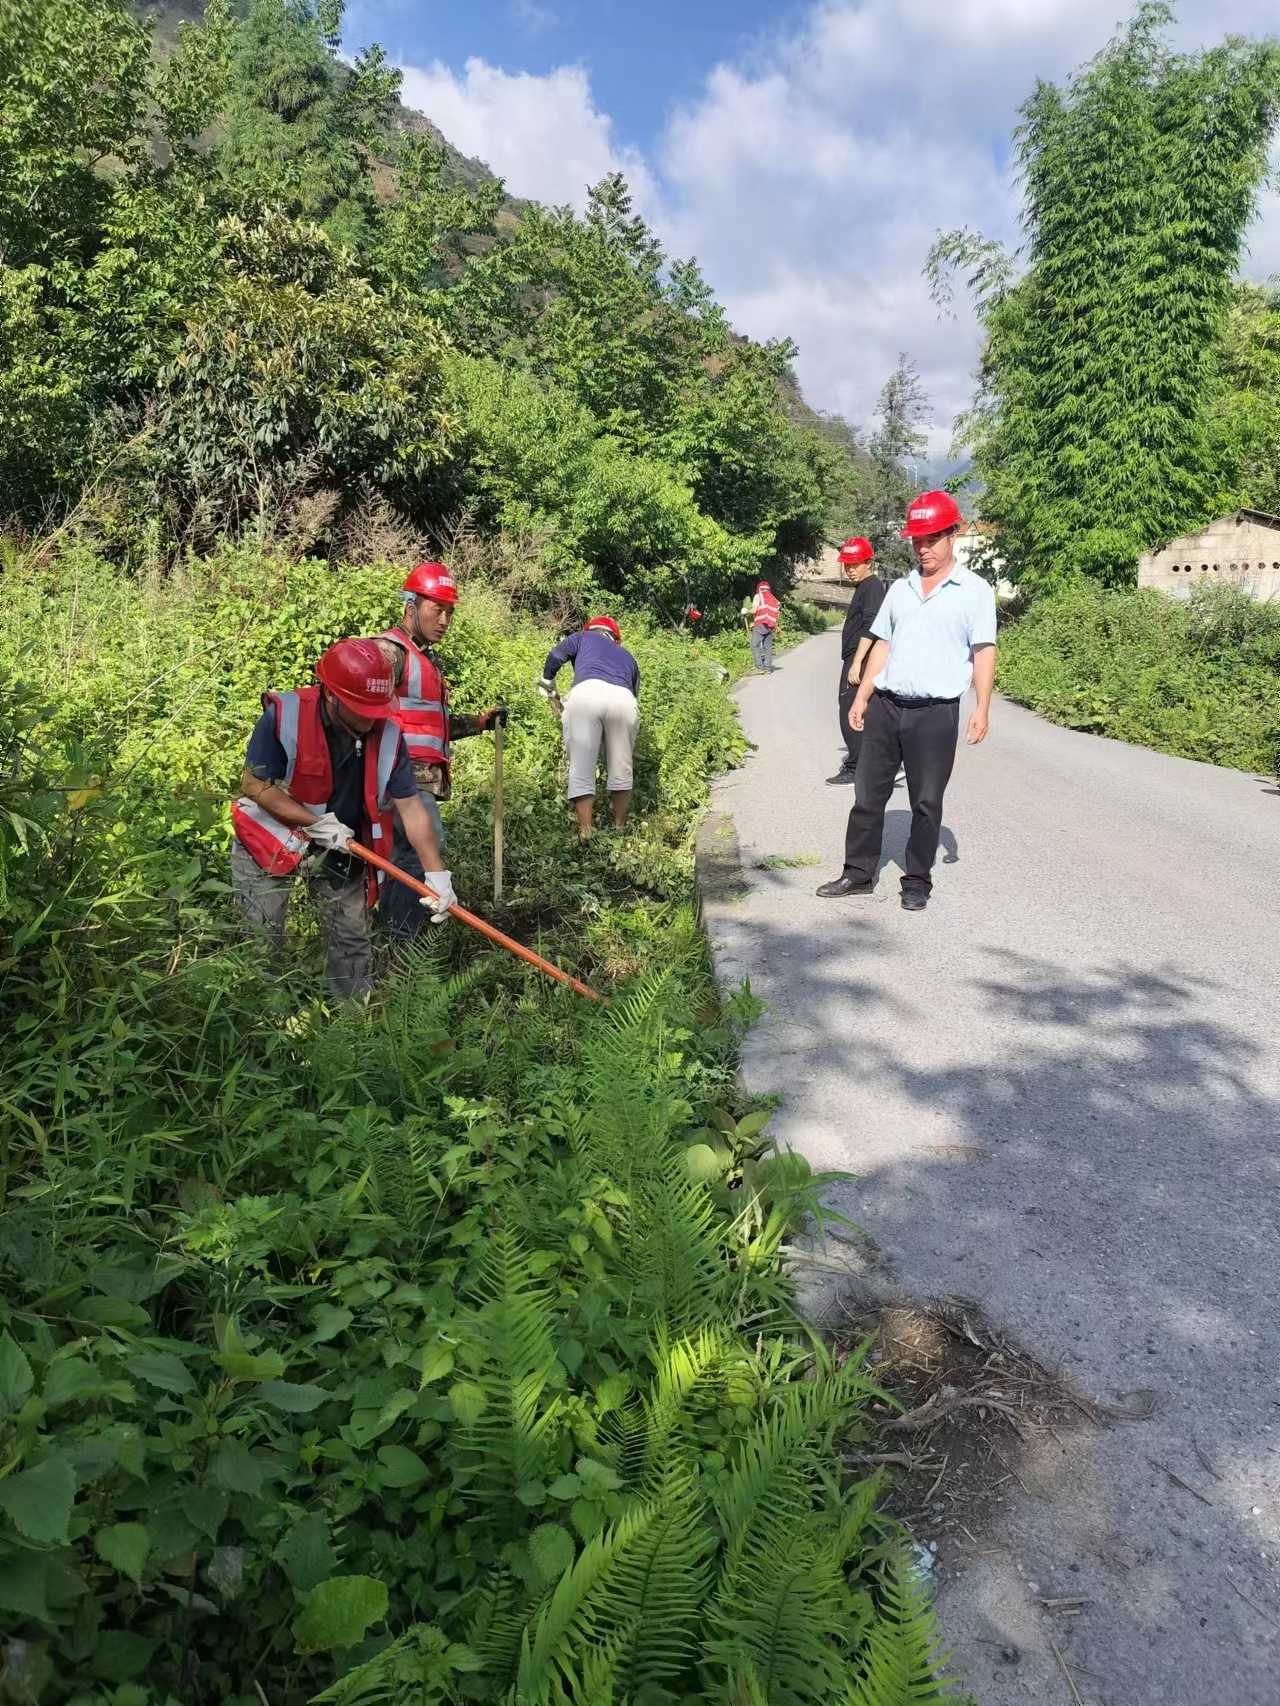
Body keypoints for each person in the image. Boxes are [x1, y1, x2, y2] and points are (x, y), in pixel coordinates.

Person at [230, 638, 454, 998]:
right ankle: (261, 1028)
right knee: (260, 939)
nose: (372, 718)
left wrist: (436, 873)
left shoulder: (389, 735)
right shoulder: (285, 715)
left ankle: (351, 1030)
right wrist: (314, 823)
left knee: (350, 942)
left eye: (379, 708)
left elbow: (411, 807)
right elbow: (255, 785)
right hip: (269, 842)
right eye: (362, 709)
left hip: (341, 846)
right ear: (332, 695)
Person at [816, 491, 996, 913]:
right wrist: (862, 697)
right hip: (887, 707)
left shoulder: (974, 591)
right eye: (917, 539)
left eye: (932, 538)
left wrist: (982, 707)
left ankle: (917, 880)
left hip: (935, 715)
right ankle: (857, 873)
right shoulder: (900, 588)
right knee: (867, 796)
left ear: (953, 534)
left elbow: (984, 650)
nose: (923, 547)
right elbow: (883, 644)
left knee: (926, 801)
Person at [368, 562, 506, 945]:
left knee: (403, 858)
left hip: (416, 778)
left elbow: (431, 724)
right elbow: (359, 711)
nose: (444, 620)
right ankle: (405, 945)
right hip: (400, 779)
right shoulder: (389, 652)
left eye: (450, 612)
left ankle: (393, 940)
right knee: (422, 850)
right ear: (411, 605)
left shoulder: (426, 658)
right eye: (436, 609)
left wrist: (478, 723)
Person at [539, 615, 640, 840]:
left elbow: (556, 655)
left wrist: (547, 682)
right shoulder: (628, 657)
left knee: (581, 767)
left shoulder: (582, 637)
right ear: (616, 639)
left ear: (591, 629)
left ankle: (586, 832)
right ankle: (620, 831)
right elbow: (632, 698)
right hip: (623, 700)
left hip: (585, 696)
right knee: (621, 768)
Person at [828, 537, 886, 785]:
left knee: (849, 711)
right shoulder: (864, 587)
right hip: (858, 657)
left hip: (861, 658)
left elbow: (871, 625)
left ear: (869, 562)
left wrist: (857, 661)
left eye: (855, 564)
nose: (850, 569)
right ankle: (877, 764)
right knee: (862, 712)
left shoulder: (871, 587)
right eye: (847, 565)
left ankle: (855, 768)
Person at [746, 579, 780, 671]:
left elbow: (754, 610)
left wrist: (746, 611)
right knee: (767, 647)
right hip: (771, 626)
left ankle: (759, 667)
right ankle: (767, 667)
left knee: (754, 645)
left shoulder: (758, 596)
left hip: (761, 625)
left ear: (759, 589)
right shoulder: (774, 599)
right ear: (768, 589)